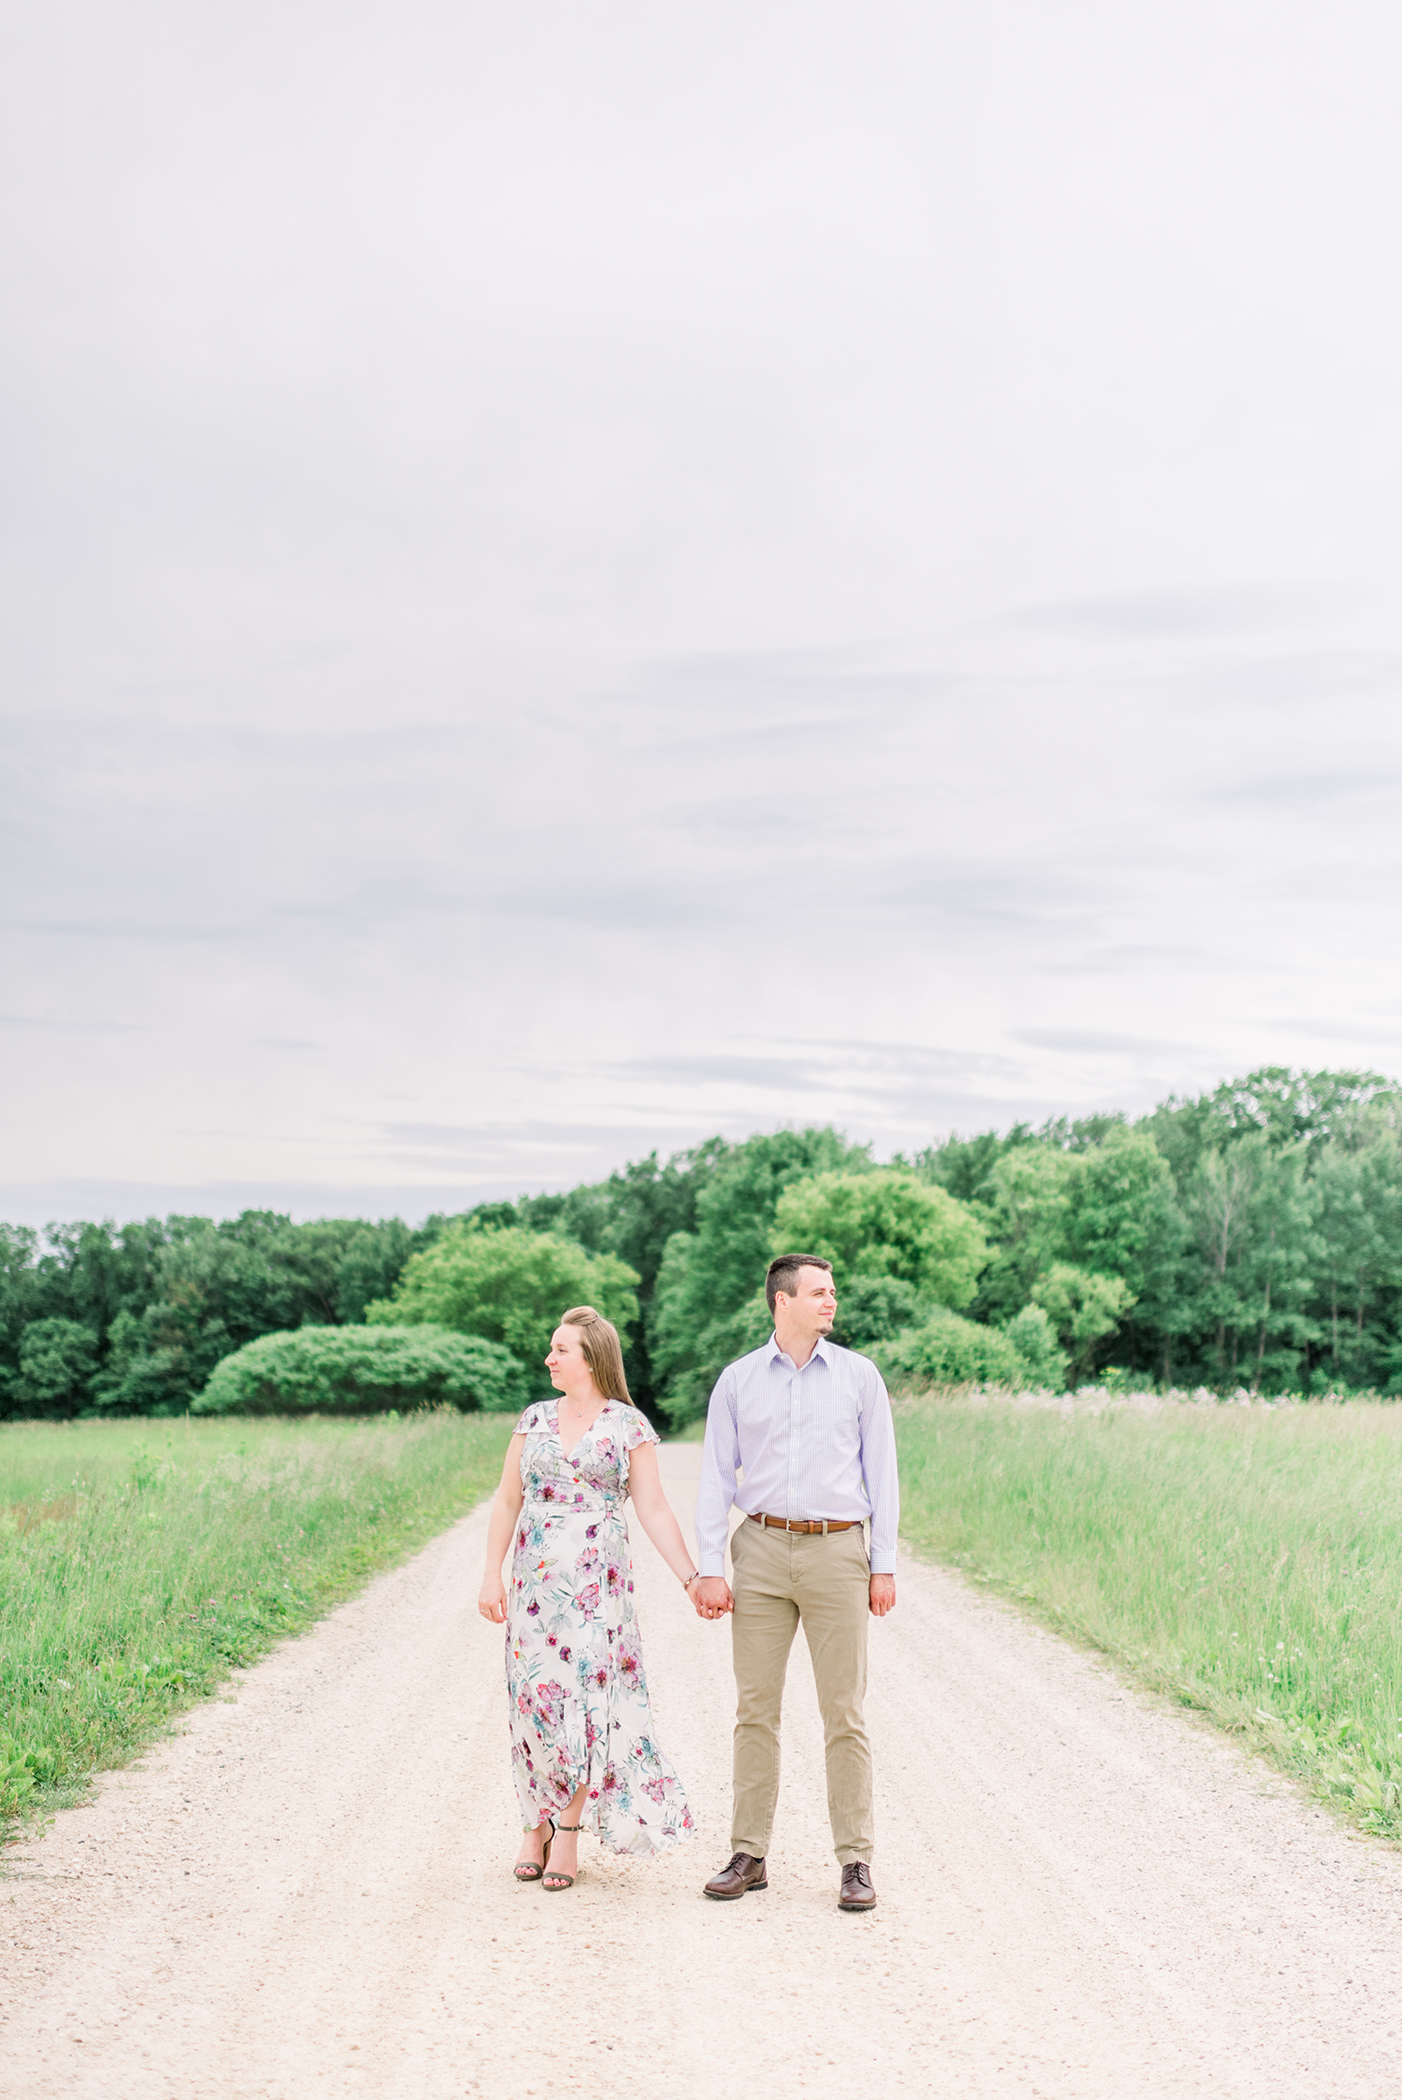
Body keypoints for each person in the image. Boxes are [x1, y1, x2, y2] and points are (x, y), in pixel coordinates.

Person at [692, 1254, 898, 1912]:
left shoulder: (859, 1378)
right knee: (755, 1709)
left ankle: (856, 1861)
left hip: (838, 1551)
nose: (830, 1301)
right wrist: (708, 1566)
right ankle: (748, 1852)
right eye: (818, 1292)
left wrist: (883, 1562)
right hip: (760, 1548)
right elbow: (715, 1478)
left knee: (844, 1711)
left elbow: (882, 1473)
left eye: (833, 1291)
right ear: (782, 1302)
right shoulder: (738, 1381)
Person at [478, 1304, 697, 1890]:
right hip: (534, 1590)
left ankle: (566, 1832)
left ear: (592, 1357)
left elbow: (651, 1506)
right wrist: (490, 1575)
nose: (549, 1358)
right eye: (551, 1349)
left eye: (561, 1349)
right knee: (534, 1704)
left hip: (599, 1591)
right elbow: (506, 1500)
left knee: (583, 1705)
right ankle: (535, 1821)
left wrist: (690, 1576)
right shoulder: (533, 1419)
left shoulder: (627, 1425)